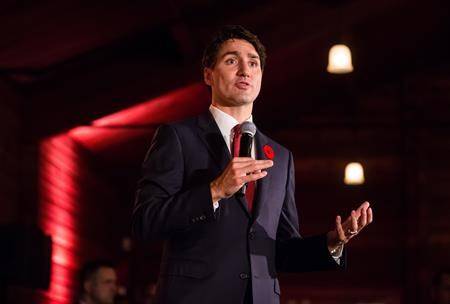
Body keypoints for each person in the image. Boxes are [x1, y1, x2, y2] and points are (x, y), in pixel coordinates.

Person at [132, 25, 373, 304]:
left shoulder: (280, 157)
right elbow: (145, 222)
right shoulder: (178, 137)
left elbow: (282, 249)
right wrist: (214, 190)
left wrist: (332, 242)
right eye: (232, 60)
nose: (245, 70)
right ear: (208, 74)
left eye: (253, 63)